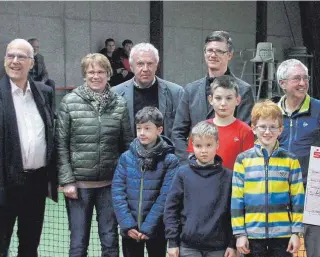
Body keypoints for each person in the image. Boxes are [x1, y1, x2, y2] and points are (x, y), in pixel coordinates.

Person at [0, 38, 58, 257]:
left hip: (37, 183)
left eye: (21, 57)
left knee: (30, 245)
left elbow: (52, 133)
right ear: (5, 60)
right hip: (3, 183)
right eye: (10, 55)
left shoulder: (45, 93)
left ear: (32, 63)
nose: (15, 61)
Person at [56, 53, 133, 257]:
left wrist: (125, 180)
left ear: (108, 74)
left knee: (109, 240)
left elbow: (126, 144)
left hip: (110, 185)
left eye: (100, 71)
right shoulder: (69, 102)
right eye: (91, 72)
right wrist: (67, 181)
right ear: (84, 75)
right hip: (78, 187)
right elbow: (61, 145)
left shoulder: (119, 103)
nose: (96, 76)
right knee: (78, 243)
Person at [276, 59, 320, 257]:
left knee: (314, 244)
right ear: (282, 83)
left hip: (313, 190)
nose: (303, 83)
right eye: (297, 78)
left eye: (305, 78)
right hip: (278, 189)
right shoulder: (272, 112)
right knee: (281, 242)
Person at [232, 100, 305, 257]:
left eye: (273, 127)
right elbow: (237, 199)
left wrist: (296, 232)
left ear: (280, 130)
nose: (267, 132)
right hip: (252, 235)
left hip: (283, 236)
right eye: (263, 127)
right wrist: (240, 234)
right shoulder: (242, 160)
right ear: (253, 128)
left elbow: (298, 199)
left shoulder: (290, 160)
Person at [173, 30, 255, 164]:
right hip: (195, 168)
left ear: (229, 55)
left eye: (219, 51)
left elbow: (243, 134)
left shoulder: (244, 90)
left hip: (229, 168)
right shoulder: (190, 90)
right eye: (209, 50)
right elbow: (178, 133)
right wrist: (189, 163)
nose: (213, 55)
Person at [112, 106, 179, 257]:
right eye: (139, 128)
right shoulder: (126, 158)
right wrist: (128, 225)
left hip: (156, 230)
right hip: (130, 231)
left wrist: (149, 227)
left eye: (147, 128)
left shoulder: (170, 160)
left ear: (159, 130)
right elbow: (117, 193)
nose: (142, 133)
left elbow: (166, 196)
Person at [164, 121, 236, 257]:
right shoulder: (182, 174)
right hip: (188, 246)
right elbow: (171, 209)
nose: (204, 151)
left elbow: (234, 212)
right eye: (198, 146)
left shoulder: (228, 176)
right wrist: (172, 242)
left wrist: (232, 243)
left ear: (217, 145)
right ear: (192, 146)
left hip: (219, 247)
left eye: (209, 145)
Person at [113, 43, 184, 140]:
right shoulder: (116, 94)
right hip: (128, 153)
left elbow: (183, 130)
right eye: (140, 64)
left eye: (150, 64)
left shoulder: (176, 92)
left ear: (156, 66)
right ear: (131, 67)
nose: (145, 69)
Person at [186, 75, 254, 170]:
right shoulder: (200, 129)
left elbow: (249, 165)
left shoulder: (245, 131)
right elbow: (192, 161)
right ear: (211, 100)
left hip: (234, 183)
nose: (223, 103)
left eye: (229, 98)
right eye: (218, 98)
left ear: (237, 100)